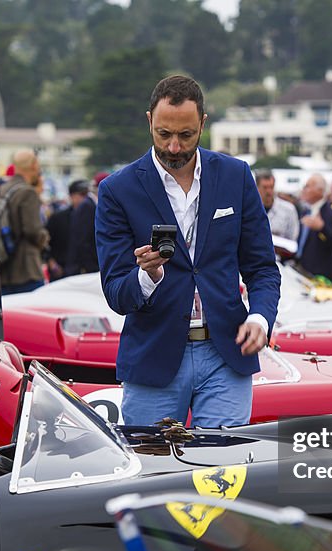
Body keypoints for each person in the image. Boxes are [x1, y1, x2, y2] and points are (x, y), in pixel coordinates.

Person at [94, 74, 280, 427]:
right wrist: (147, 276)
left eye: (186, 135)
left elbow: (262, 269)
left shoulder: (236, 176)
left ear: (203, 124)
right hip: (154, 357)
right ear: (149, 120)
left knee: (222, 475)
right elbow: (116, 293)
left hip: (227, 353)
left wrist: (259, 318)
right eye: (164, 134)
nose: (174, 147)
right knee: (155, 475)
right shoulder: (118, 191)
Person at [0, 149, 49, 294]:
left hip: (3, 266)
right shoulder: (28, 192)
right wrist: (44, 238)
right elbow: (32, 230)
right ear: (33, 165)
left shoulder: (3, 189)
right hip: (26, 269)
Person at [297, 174, 332, 284]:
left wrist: (322, 228)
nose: (304, 190)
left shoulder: (331, 214)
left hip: (323, 277)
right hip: (304, 272)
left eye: (308, 186)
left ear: (319, 190)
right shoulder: (306, 211)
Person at [46, 180, 87, 280]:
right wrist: (52, 264)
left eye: (85, 195)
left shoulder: (92, 217)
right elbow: (45, 243)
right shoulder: (57, 218)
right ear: (71, 196)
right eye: (80, 195)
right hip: (61, 273)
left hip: (85, 273)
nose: (83, 199)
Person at [255, 169, 299, 260]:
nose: (269, 191)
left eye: (271, 187)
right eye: (265, 187)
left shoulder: (288, 210)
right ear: (257, 187)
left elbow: (293, 240)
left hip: (280, 261)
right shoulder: (249, 209)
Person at [65, 175, 99, 276]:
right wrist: (91, 267)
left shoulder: (87, 205)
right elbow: (83, 240)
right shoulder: (87, 206)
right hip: (87, 267)